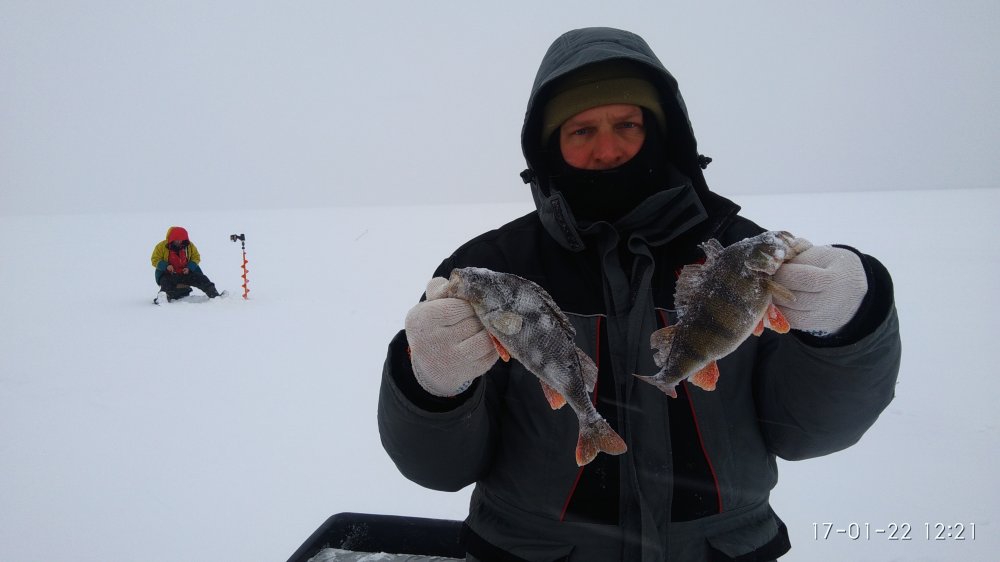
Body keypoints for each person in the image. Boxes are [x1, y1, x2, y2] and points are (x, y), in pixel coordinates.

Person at [378, 27, 900, 561]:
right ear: (548, 145)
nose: (608, 149)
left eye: (627, 124)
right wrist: (432, 386)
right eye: (581, 130)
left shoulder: (738, 256)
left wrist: (846, 329)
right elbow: (438, 470)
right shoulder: (494, 267)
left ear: (661, 130)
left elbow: (807, 435)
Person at [150, 226, 223, 303]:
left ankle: (214, 295)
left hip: (186, 273)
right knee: (166, 283)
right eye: (177, 240)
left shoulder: (189, 246)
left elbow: (196, 257)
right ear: (171, 239)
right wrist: (166, 266)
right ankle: (162, 298)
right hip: (168, 274)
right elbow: (155, 259)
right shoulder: (161, 246)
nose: (179, 242)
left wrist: (189, 268)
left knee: (202, 279)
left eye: (181, 240)